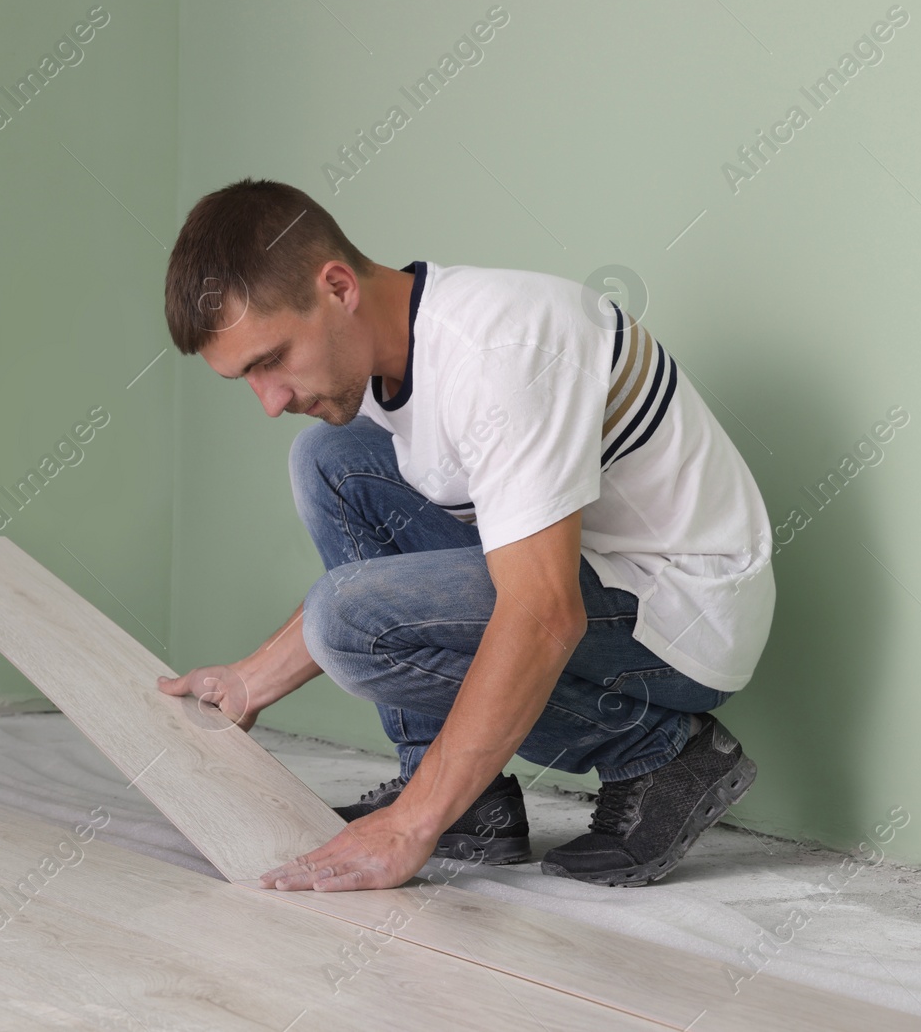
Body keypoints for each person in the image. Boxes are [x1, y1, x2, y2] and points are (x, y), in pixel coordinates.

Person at [156, 178, 775, 892]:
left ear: (337, 287)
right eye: (246, 378)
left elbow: (543, 613)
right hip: (601, 574)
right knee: (329, 460)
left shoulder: (497, 353)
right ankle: (464, 802)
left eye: (270, 359)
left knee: (346, 619)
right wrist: (247, 681)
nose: (269, 400)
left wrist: (407, 828)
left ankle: (661, 751)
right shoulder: (400, 353)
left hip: (685, 611)